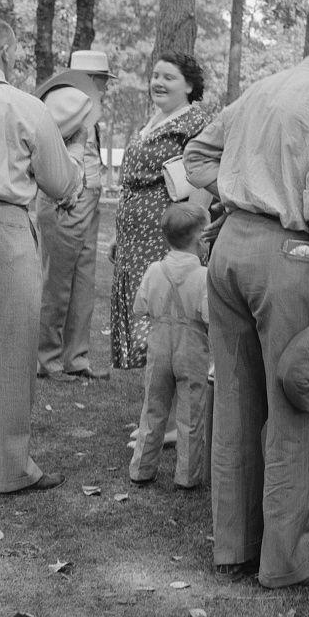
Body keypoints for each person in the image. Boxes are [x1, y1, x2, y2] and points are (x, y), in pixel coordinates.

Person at [183, 6, 309, 589]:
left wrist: (236, 195)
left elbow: (196, 155)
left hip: (229, 253)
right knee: (296, 406)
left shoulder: (262, 87)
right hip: (287, 256)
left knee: (238, 404)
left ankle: (233, 548)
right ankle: (286, 560)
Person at [0, 15, 83, 493]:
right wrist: (73, 183)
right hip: (2, 226)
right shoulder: (21, 104)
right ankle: (12, 469)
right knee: (12, 352)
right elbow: (59, 181)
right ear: (6, 52)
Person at [109, 53, 209, 369]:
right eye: (155, 76)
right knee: (146, 314)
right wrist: (119, 235)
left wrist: (193, 231)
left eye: (169, 77)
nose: (158, 83)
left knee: (166, 318)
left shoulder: (195, 121)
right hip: (134, 238)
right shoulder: (152, 121)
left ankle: (161, 412)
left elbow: (202, 179)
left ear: (189, 85)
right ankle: (152, 409)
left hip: (165, 235)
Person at [34, 50, 116, 382]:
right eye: (102, 81)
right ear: (89, 78)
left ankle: (76, 357)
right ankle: (48, 359)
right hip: (66, 199)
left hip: (90, 198)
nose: (105, 88)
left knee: (83, 281)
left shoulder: (88, 107)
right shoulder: (66, 102)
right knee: (58, 282)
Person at [129, 203, 211, 490]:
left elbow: (140, 307)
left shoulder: (154, 270)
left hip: (159, 345)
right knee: (191, 413)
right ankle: (187, 475)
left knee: (152, 408)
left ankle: (141, 468)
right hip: (191, 349)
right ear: (201, 238)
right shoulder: (203, 276)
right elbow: (209, 316)